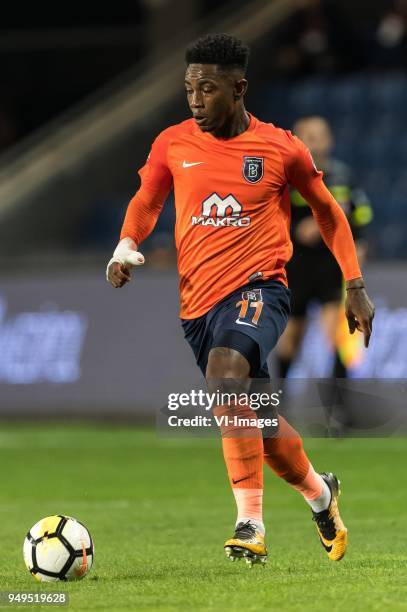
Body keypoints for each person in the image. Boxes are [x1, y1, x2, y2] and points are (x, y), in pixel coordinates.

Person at [106, 34, 375, 567]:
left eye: (207, 89)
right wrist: (126, 243)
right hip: (197, 307)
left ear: (239, 88)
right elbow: (147, 198)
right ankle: (322, 494)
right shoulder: (174, 144)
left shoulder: (280, 148)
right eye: (189, 90)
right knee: (261, 426)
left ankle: (250, 523)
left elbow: (327, 209)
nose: (196, 100)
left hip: (261, 289)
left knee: (226, 375)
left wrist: (354, 283)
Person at [277, 116, 373, 381]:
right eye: (308, 136)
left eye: (319, 136)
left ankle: (337, 413)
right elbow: (274, 217)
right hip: (297, 266)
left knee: (339, 334)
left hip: (331, 265)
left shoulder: (342, 176)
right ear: (296, 141)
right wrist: (297, 228)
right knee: (291, 338)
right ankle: (277, 405)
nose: (315, 142)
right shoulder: (285, 177)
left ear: (329, 139)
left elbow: (360, 212)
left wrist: (360, 242)